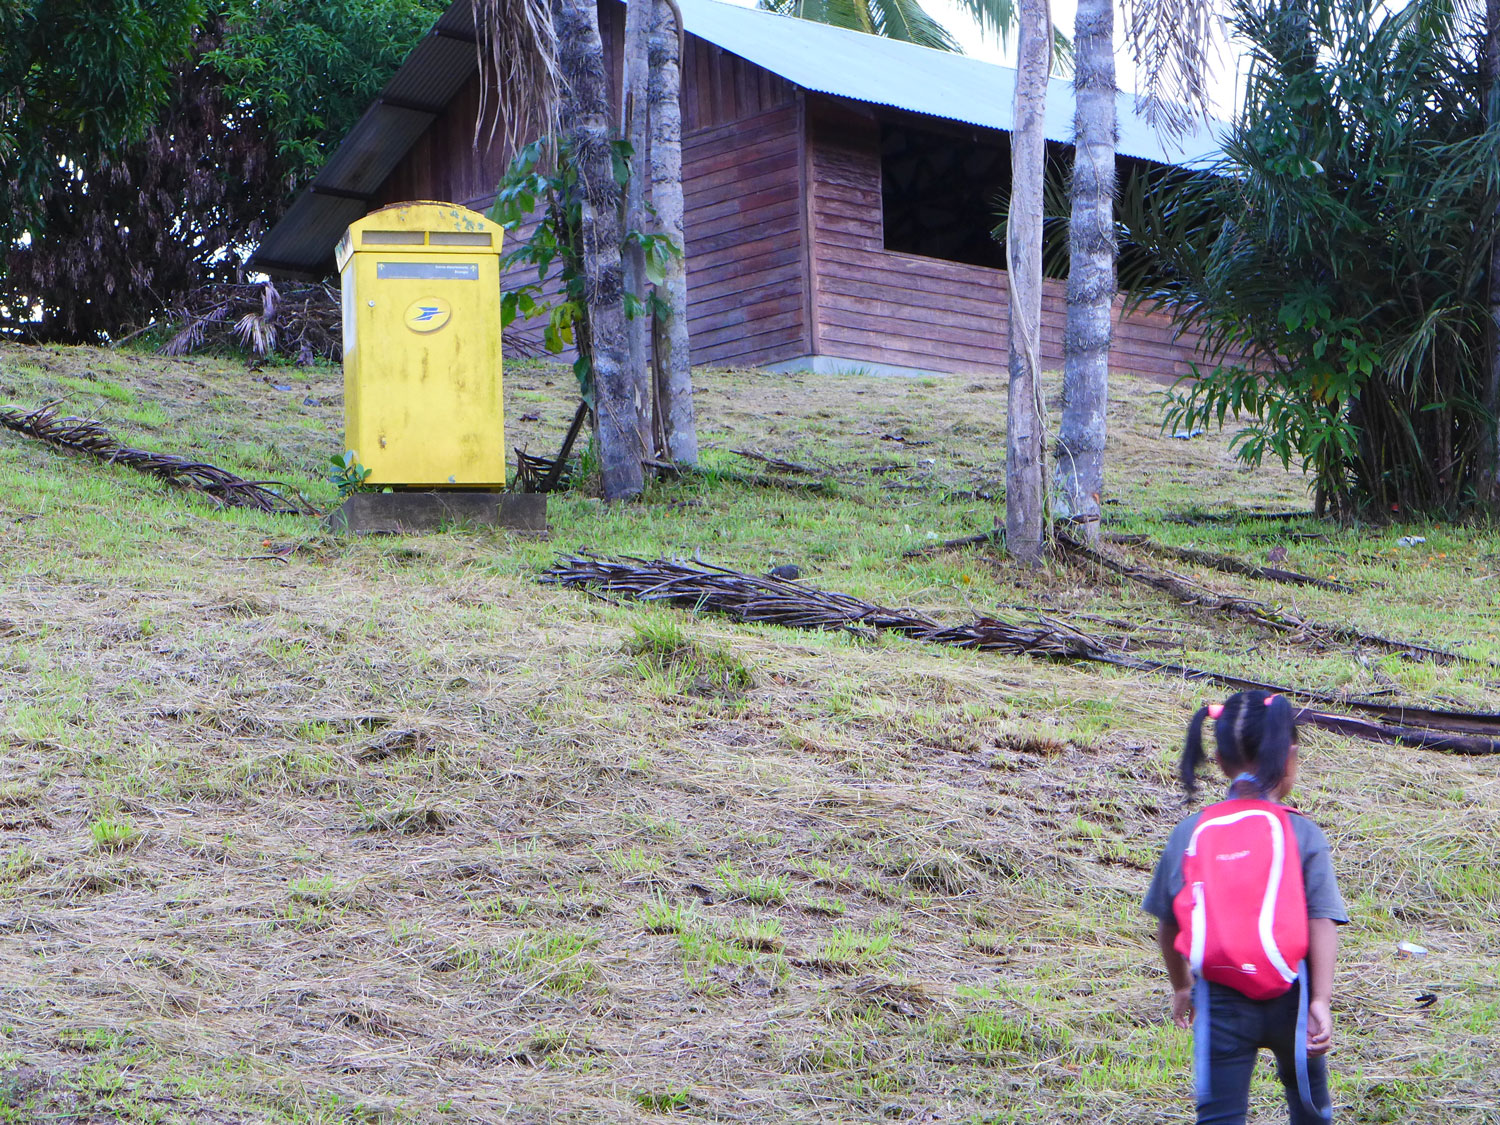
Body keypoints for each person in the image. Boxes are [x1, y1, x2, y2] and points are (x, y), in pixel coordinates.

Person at [1143, 690, 1348, 1124]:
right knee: (1310, 1106)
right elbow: (1322, 920)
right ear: (1289, 756)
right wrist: (1322, 999)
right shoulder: (1302, 832)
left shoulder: (1190, 831)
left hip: (1219, 996)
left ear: (1218, 759)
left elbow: (1168, 922)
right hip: (1294, 993)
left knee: (1219, 1113)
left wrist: (1183, 986)